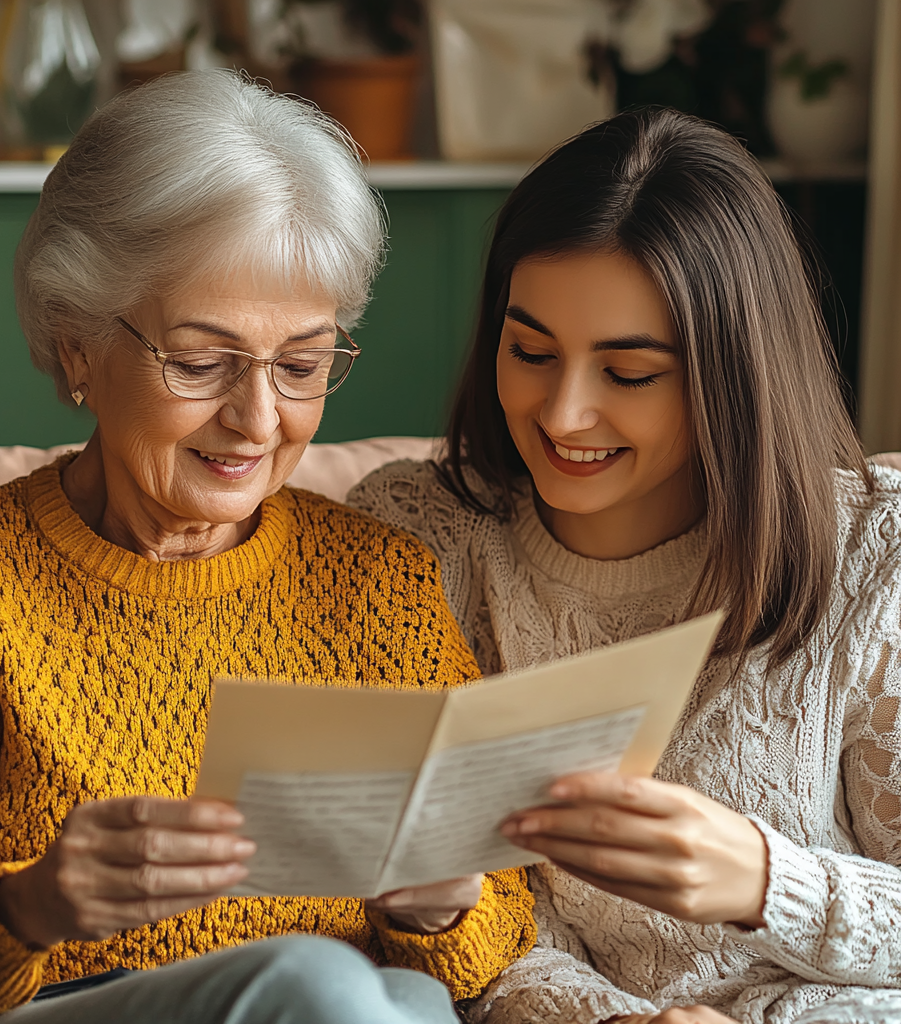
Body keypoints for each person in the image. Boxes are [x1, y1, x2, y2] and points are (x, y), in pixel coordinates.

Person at [0, 72, 535, 1024]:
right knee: (323, 986)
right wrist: (29, 908)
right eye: (200, 362)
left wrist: (444, 911)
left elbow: (494, 925)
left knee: (388, 996)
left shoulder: (379, 581)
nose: (257, 419)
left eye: (302, 365)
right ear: (74, 345)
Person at [349, 107, 901, 1024]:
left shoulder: (874, 557)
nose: (564, 414)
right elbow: (483, 932)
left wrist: (768, 881)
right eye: (529, 352)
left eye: (629, 373)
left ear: (735, 371)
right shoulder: (421, 538)